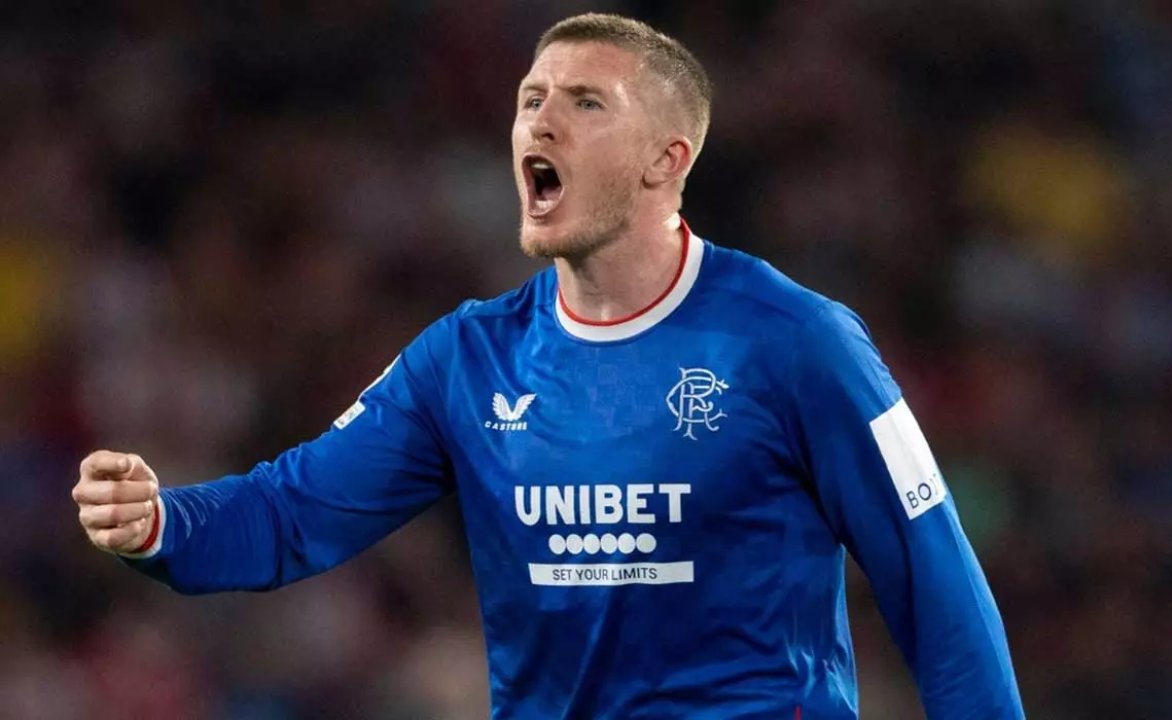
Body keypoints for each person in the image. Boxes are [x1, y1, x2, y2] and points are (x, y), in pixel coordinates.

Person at [72, 13, 1024, 719]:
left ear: (666, 160)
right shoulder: (467, 359)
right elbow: (292, 513)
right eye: (531, 99)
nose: (541, 122)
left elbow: (935, 583)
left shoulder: (798, 342)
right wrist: (163, 523)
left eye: (585, 103)